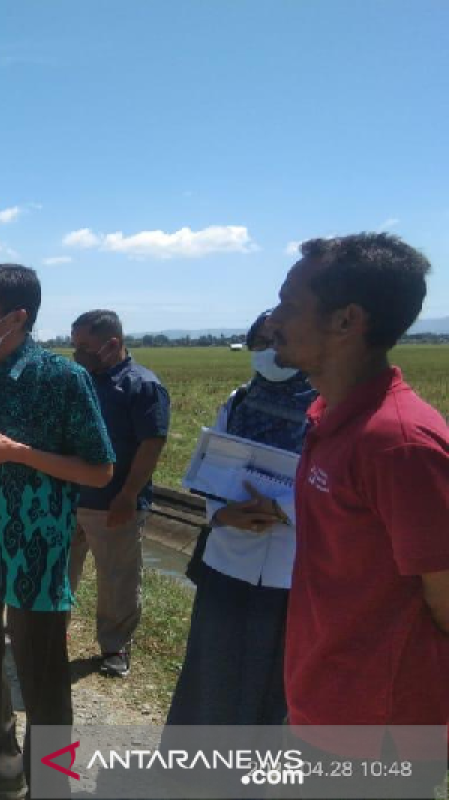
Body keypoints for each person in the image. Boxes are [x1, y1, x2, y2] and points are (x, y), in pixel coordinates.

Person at [267, 233, 449, 787]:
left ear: (347, 321)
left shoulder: (399, 444)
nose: (274, 320)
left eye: (289, 305)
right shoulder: (330, 414)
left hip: (378, 727)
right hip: (325, 697)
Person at [0, 264, 115, 800]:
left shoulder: (62, 379)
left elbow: (99, 470)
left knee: (44, 676)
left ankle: (52, 783)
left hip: (37, 545)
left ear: (16, 316)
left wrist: (17, 453)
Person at [166, 311, 317, 727]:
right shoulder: (238, 402)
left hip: (291, 566)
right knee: (213, 662)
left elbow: (334, 483)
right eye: (259, 342)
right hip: (227, 556)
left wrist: (281, 510)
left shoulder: (326, 409)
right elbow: (211, 466)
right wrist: (222, 513)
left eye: (276, 340)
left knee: (274, 676)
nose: (267, 352)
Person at [69, 309, 170, 678]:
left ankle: (114, 646)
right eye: (74, 344)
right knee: (60, 571)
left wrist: (128, 494)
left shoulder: (142, 385)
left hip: (113, 501)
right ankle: (48, 632)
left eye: (84, 346)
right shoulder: (82, 379)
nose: (77, 353)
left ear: (112, 344)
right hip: (70, 498)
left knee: (117, 579)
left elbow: (151, 443)